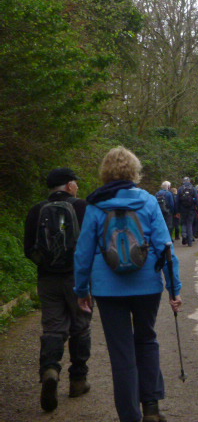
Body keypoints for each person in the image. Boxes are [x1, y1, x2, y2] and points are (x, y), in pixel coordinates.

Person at [74, 147, 182, 422]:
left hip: (108, 290)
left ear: (105, 173)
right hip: (147, 285)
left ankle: (129, 416)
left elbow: (83, 252)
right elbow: (165, 248)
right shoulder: (147, 201)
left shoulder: (96, 205)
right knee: (147, 340)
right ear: (135, 172)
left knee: (121, 352)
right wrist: (174, 288)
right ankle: (152, 410)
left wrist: (82, 290)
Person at [24, 168, 92, 412]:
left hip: (48, 279)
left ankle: (50, 370)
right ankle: (78, 380)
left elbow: (28, 248)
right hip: (78, 277)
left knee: (53, 327)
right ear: (69, 185)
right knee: (81, 326)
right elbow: (91, 242)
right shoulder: (82, 207)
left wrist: (47, 265)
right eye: (75, 182)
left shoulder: (36, 210)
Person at [176, 176, 198, 247]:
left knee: (183, 223)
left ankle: (184, 235)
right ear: (189, 181)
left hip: (182, 209)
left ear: (183, 181)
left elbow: (177, 201)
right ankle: (190, 242)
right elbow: (197, 200)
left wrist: (177, 211)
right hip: (191, 209)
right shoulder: (193, 189)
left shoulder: (180, 189)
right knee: (189, 224)